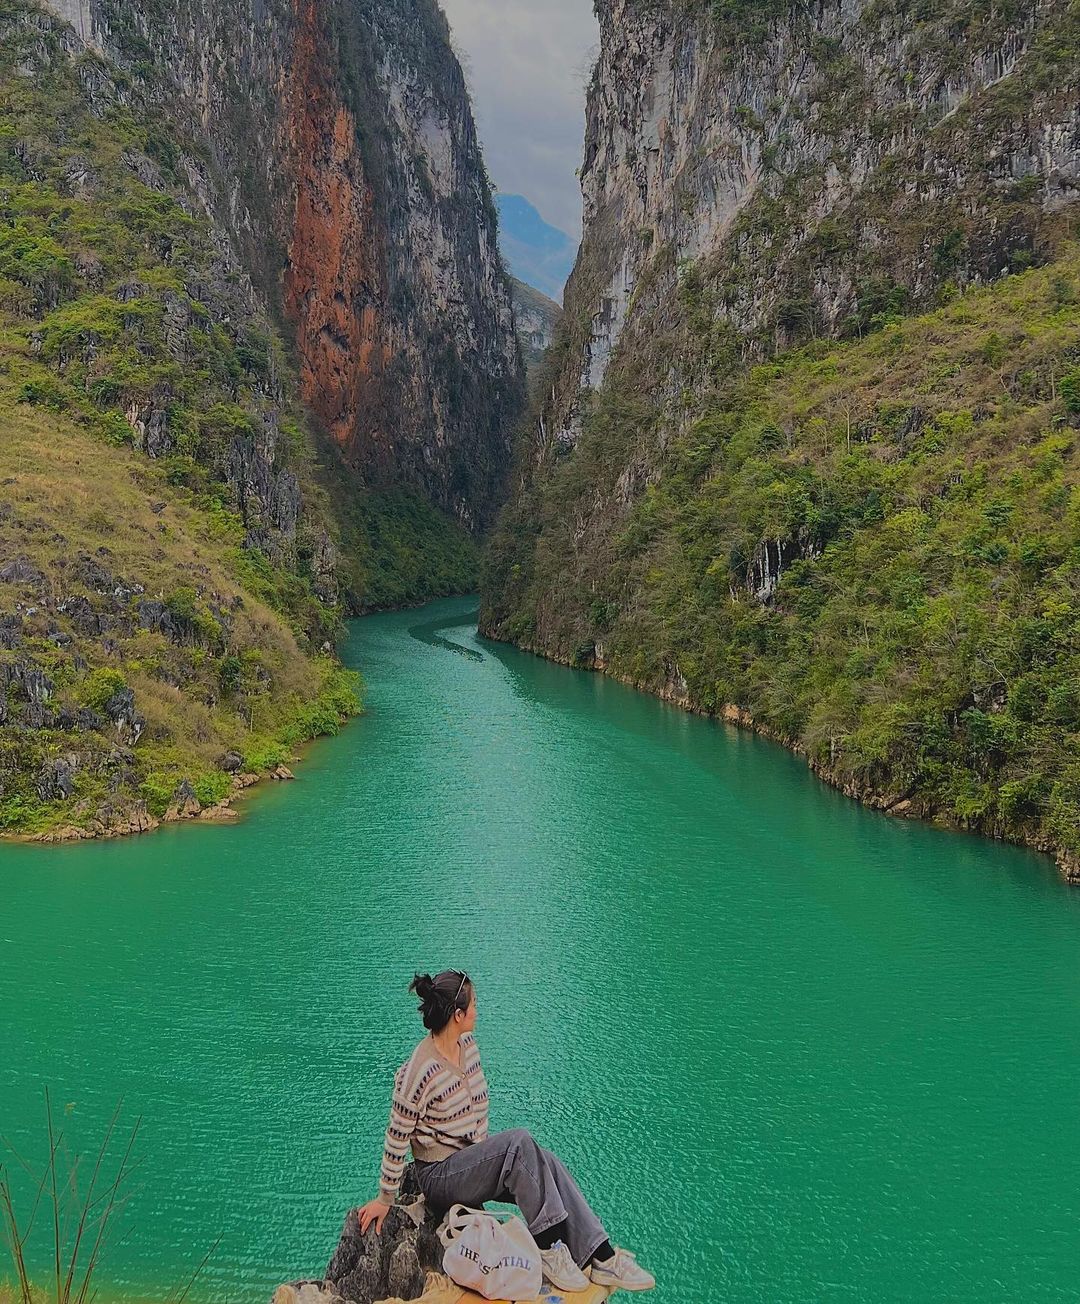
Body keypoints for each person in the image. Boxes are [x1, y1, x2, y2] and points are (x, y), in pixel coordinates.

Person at [357, 970, 655, 1294]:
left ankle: (602, 1256)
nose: (478, 1010)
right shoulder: (418, 1071)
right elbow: (396, 1135)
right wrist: (385, 1198)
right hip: (440, 1175)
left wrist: (487, 1161)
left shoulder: (466, 1045)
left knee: (544, 1161)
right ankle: (548, 1246)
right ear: (457, 1015)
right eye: (473, 1005)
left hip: (470, 1162)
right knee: (519, 1144)